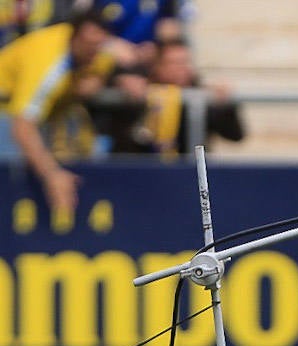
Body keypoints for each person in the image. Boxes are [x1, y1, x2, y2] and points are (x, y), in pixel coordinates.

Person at [0, 9, 112, 213]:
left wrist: (97, 79)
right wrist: (51, 175)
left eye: (97, 47)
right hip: (7, 115)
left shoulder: (99, 53)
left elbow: (105, 64)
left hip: (44, 116)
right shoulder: (47, 62)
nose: (93, 53)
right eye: (88, 45)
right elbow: (22, 126)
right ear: (74, 37)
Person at [105, 38, 244, 155]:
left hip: (188, 175)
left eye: (185, 62)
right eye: (173, 62)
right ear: (157, 66)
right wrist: (117, 82)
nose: (181, 68)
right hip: (142, 172)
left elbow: (235, 136)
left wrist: (225, 105)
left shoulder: (200, 96)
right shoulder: (139, 91)